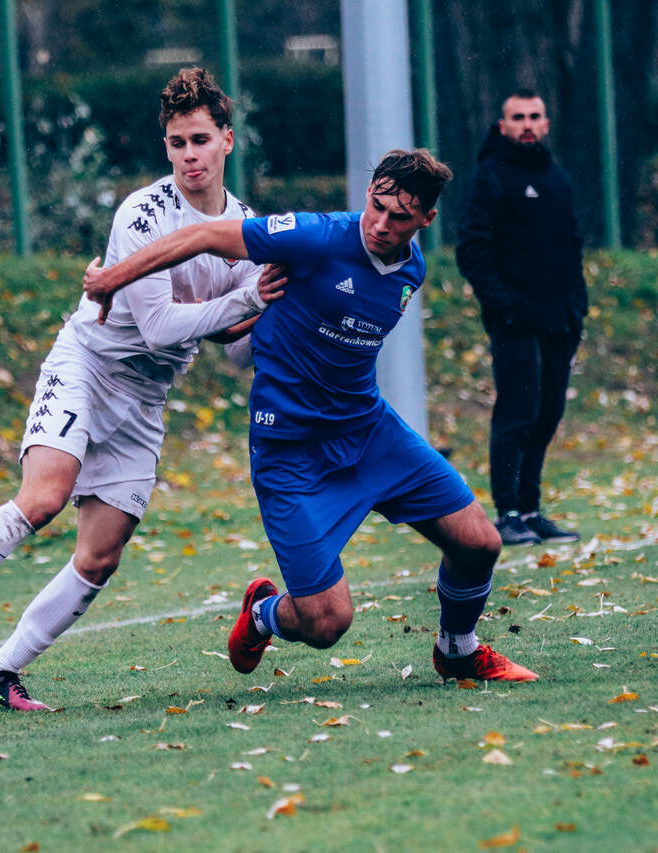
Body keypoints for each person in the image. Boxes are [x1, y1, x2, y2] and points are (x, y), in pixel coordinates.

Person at [0, 67, 284, 710]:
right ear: (166, 147)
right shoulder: (143, 214)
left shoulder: (244, 227)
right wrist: (248, 298)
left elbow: (235, 348)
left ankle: (1, 672)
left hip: (145, 398)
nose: (190, 155)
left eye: (201, 140)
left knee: (100, 557)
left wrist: (277, 312)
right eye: (178, 143)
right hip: (88, 368)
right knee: (44, 498)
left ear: (228, 141)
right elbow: (159, 327)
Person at [84, 149, 540, 685]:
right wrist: (113, 278)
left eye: (399, 217)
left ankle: (458, 650)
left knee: (480, 543)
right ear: (367, 194)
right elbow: (203, 236)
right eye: (376, 207)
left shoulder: (411, 269)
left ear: (426, 219)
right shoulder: (315, 236)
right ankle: (263, 613)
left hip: (368, 433)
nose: (381, 224)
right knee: (326, 623)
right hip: (290, 451)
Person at [456, 89, 586, 547]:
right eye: (518, 117)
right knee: (518, 412)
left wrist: (578, 308)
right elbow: (471, 249)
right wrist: (503, 307)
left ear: (546, 124)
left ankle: (530, 510)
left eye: (534, 116)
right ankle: (507, 513)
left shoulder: (556, 177)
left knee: (548, 413)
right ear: (503, 125)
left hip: (560, 319)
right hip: (515, 321)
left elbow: (573, 247)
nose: (527, 124)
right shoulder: (490, 176)